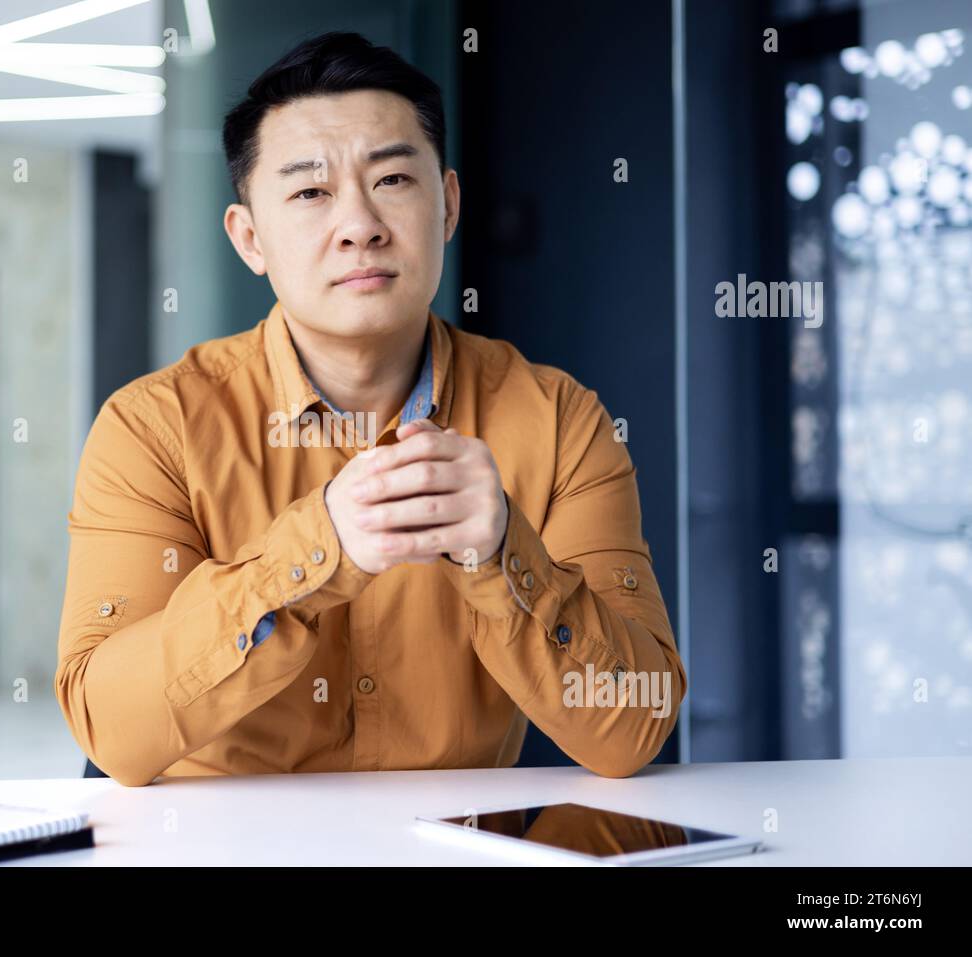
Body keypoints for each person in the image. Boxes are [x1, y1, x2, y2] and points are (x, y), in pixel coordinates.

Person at [56, 31, 685, 787]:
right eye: (310, 192)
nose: (360, 224)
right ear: (250, 237)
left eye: (391, 180)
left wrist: (504, 556)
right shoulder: (151, 427)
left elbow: (634, 727)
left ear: (447, 205)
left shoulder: (559, 420)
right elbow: (112, 729)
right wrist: (316, 550)